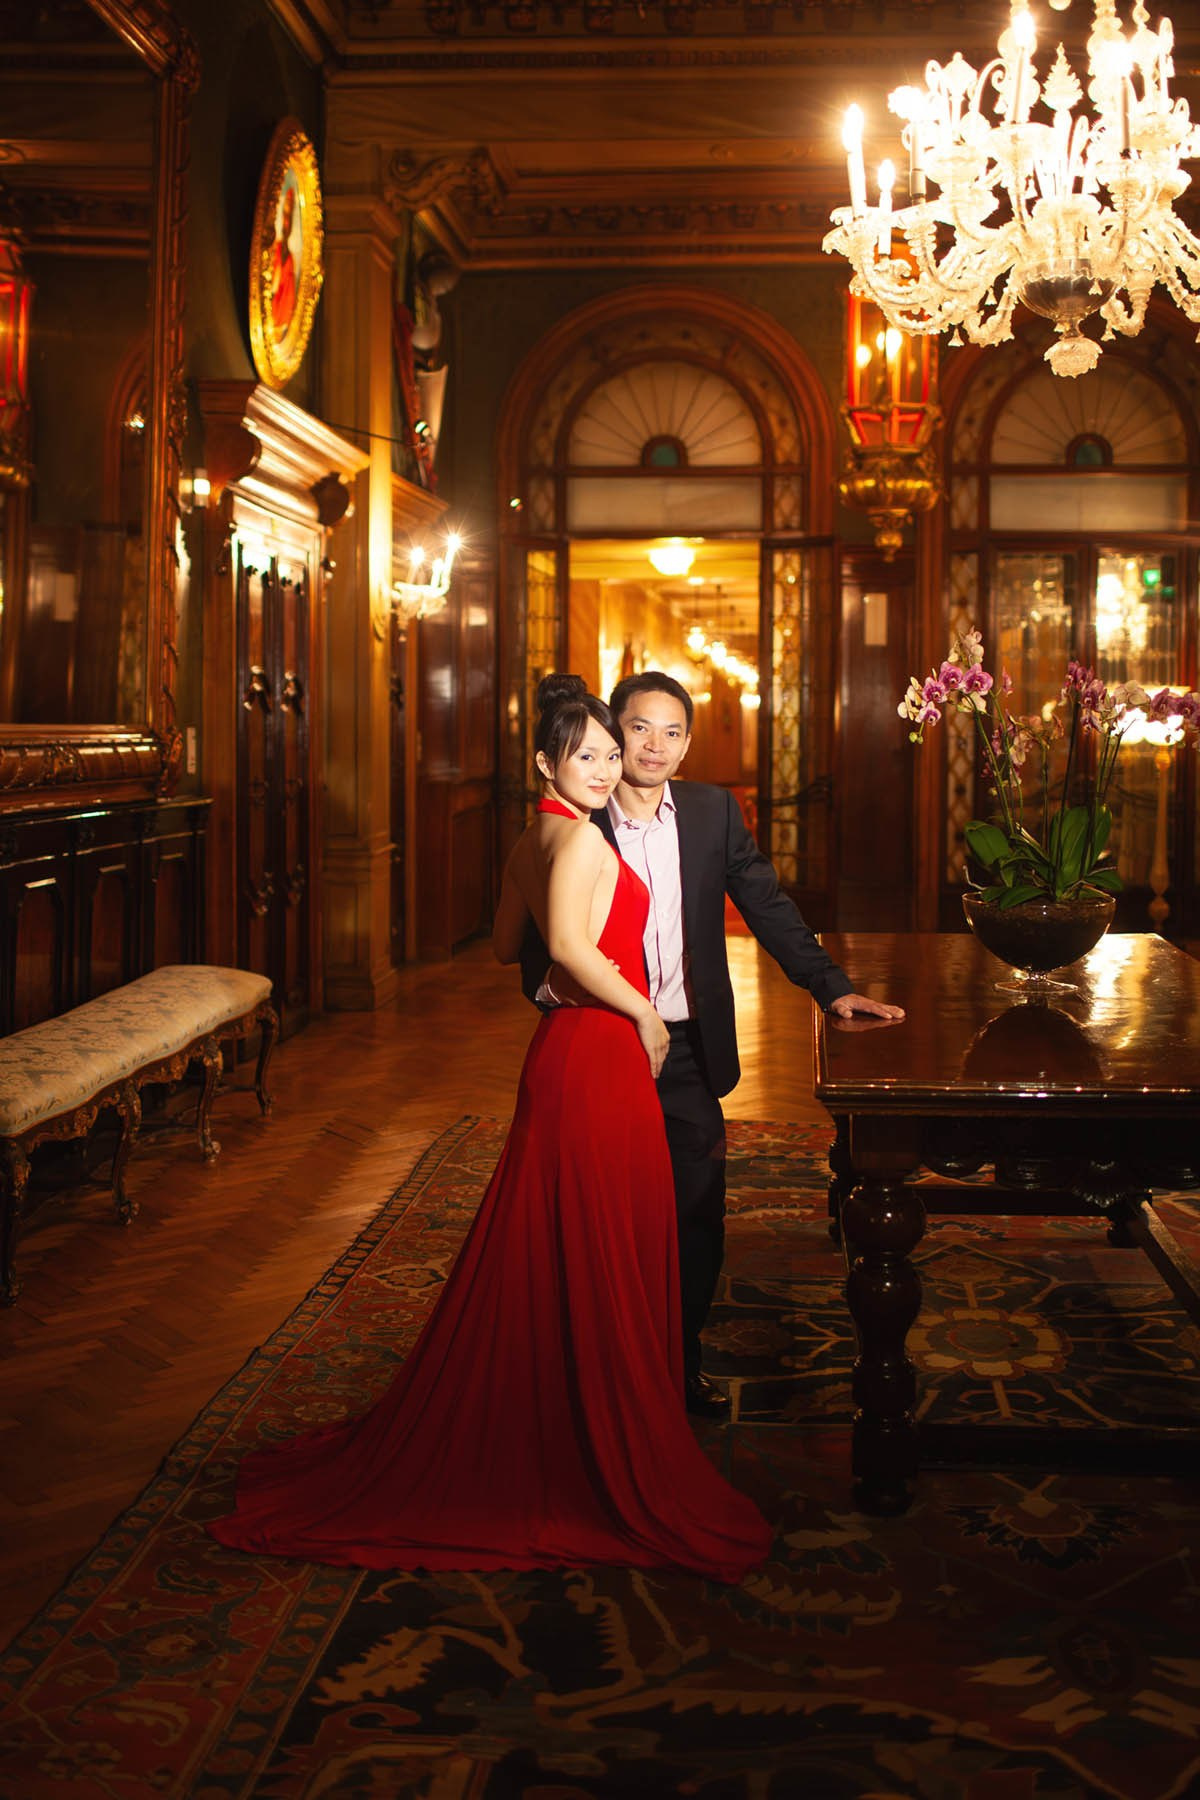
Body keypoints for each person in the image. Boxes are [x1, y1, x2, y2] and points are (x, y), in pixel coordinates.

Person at [209, 675, 771, 1583]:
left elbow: (514, 946)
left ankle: (556, 1395)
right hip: (602, 1052)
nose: (604, 768)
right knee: (605, 1235)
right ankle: (598, 1418)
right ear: (547, 762)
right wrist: (646, 1014)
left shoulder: (530, 836)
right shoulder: (585, 839)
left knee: (554, 1232)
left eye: (606, 754)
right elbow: (574, 952)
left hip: (559, 1052)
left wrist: (574, 961)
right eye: (586, 755)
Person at [522, 670, 904, 1420]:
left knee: (695, 1211)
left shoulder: (710, 813)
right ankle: (589, 1369)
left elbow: (765, 902)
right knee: (600, 1216)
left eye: (672, 732)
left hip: (688, 1048)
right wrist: (554, 995)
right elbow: (540, 942)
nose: (655, 746)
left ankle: (676, 1359)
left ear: (688, 744)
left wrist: (831, 986)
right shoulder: (576, 819)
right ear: (612, 729)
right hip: (603, 1044)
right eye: (639, 729)